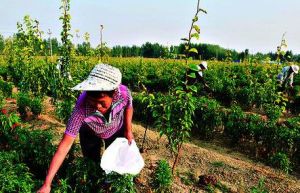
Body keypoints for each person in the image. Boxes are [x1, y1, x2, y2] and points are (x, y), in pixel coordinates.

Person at [37, 64, 134, 193]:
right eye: (93, 103)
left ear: (114, 94)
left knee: (116, 158)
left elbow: (129, 106)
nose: (97, 106)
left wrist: (128, 130)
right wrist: (47, 184)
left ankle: (111, 182)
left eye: (102, 102)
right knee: (91, 162)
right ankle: (96, 181)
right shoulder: (81, 107)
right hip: (91, 131)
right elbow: (65, 145)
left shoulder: (123, 93)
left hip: (116, 129)